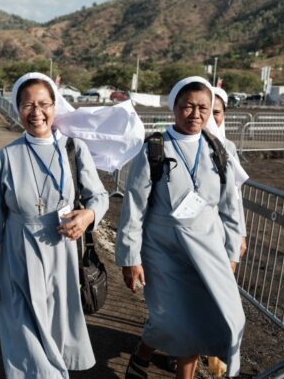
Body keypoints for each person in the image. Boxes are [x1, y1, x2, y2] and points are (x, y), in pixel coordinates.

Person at [0, 72, 110, 378]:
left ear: (55, 106)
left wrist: (88, 216)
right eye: (27, 105)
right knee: (22, 335)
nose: (36, 112)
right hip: (17, 255)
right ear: (17, 108)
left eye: (44, 104)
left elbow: (99, 196)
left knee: (55, 331)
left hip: (61, 255)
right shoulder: (8, 155)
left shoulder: (74, 149)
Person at [116, 76, 246, 379]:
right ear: (174, 107)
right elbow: (134, 205)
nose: (196, 114)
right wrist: (129, 257)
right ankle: (143, 353)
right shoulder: (155, 148)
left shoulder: (222, 149)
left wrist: (232, 251)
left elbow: (231, 206)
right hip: (163, 249)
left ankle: (154, 360)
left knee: (226, 317)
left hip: (207, 248)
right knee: (171, 320)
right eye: (188, 106)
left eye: (204, 107)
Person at [208, 87, 249, 260]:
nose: (210, 117)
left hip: (221, 226)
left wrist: (241, 233)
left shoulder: (228, 147)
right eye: (207, 110)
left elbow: (235, 194)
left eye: (216, 112)